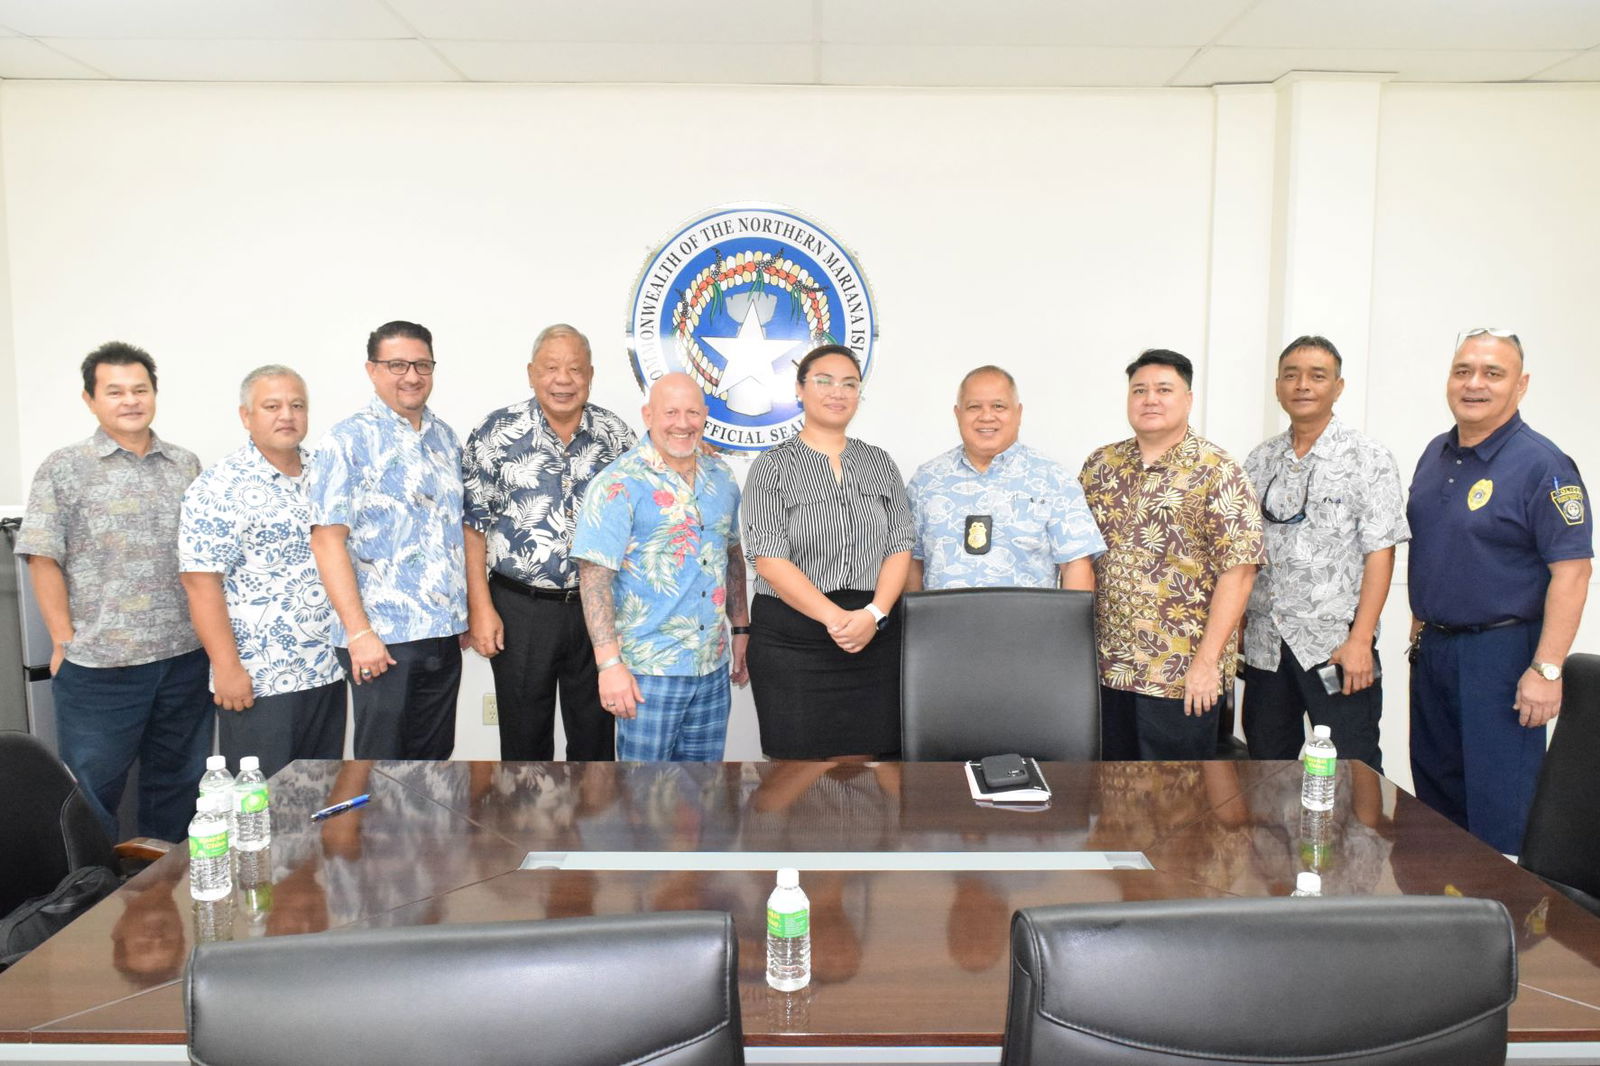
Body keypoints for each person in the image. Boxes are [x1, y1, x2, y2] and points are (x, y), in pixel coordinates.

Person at [13, 342, 209, 841]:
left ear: (154, 394)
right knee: (90, 795)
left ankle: (164, 895)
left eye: (139, 389)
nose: (130, 400)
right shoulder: (65, 467)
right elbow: (42, 558)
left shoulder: (185, 464)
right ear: (90, 399)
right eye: (115, 391)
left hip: (184, 659)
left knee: (179, 787)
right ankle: (90, 904)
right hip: (101, 669)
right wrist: (62, 641)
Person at [1407, 328, 1591, 854]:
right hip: (1436, 652)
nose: (1474, 384)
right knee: (1438, 807)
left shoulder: (1544, 466)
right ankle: (1448, 927)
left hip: (1504, 658)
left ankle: (1506, 929)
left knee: (1499, 811)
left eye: (1492, 373)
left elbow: (1572, 574)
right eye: (1463, 370)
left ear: (1521, 384)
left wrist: (1547, 669)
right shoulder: (1435, 454)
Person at [1080, 349, 1265, 760]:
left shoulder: (1217, 470)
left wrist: (1207, 663)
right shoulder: (1100, 466)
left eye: (1164, 389)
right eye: (1139, 390)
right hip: (1104, 671)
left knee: (1176, 805)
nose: (1150, 399)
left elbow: (1240, 572)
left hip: (1178, 675)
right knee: (1108, 798)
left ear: (1188, 399)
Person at [462, 324, 636, 761]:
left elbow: (645, 508)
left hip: (596, 609)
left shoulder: (616, 437)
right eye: (551, 368)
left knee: (596, 737)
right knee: (523, 739)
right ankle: (522, 829)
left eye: (575, 369)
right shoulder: (496, 433)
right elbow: (473, 528)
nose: (563, 380)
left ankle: (590, 827)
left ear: (591, 375)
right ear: (531, 373)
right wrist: (480, 608)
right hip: (520, 608)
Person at [1240, 336, 1409, 771]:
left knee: (1353, 771)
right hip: (1266, 647)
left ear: (1339, 387)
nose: (1303, 385)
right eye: (1291, 375)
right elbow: (1245, 553)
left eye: (1318, 376)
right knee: (1264, 770)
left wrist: (1360, 641)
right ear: (1277, 386)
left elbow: (1380, 554)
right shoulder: (1259, 461)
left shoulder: (1368, 459)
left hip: (1334, 649)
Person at [742, 344, 914, 760]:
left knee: (875, 777)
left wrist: (872, 616)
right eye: (824, 381)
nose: (837, 392)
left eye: (849, 384)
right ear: (799, 390)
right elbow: (768, 558)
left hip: (873, 637)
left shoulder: (880, 463)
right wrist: (838, 621)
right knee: (797, 781)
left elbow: (900, 544)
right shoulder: (771, 465)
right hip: (793, 643)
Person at [305, 321, 467, 760]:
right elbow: (326, 541)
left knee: (434, 765)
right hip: (382, 640)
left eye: (422, 364)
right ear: (372, 370)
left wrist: (463, 617)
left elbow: (454, 532)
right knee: (382, 767)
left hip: (443, 633)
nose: (411, 376)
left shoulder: (445, 438)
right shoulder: (346, 440)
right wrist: (359, 633)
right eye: (397, 364)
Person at [178, 365, 345, 780]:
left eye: (296, 405)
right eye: (271, 406)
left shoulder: (325, 472)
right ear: (246, 416)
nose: (286, 415)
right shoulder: (219, 486)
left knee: (322, 798)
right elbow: (200, 585)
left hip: (327, 667)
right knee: (263, 806)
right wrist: (228, 668)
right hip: (260, 679)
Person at [569, 373, 746, 761]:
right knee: (642, 803)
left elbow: (731, 555)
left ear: (705, 417)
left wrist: (741, 628)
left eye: (692, 412)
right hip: (647, 672)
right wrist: (609, 665)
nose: (682, 423)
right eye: (670, 412)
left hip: (711, 667)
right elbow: (594, 580)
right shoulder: (618, 483)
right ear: (648, 415)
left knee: (701, 797)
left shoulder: (722, 477)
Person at [906, 365, 1103, 591]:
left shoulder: (1054, 480)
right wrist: (913, 624)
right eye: (974, 407)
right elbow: (911, 563)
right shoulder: (926, 481)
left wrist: (1066, 625)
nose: (986, 416)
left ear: (1018, 413)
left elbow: (1076, 566)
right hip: (942, 624)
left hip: (1028, 624)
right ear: (957, 414)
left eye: (998, 406)